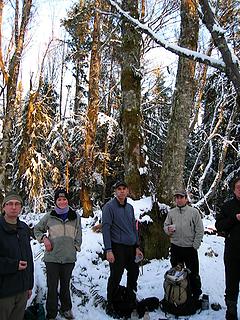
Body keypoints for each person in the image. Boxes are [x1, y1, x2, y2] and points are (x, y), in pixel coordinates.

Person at [34, 188, 82, 320]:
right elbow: (37, 229)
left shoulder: (75, 216)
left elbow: (79, 233)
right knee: (52, 286)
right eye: (59, 199)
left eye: (64, 199)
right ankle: (51, 313)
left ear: (68, 201)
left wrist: (76, 247)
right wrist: (44, 239)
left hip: (68, 258)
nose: (62, 201)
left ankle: (66, 309)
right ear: (55, 201)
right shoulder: (50, 216)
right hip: (52, 258)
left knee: (65, 285)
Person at [102, 181, 143, 318]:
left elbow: (133, 227)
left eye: (124, 189)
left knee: (133, 272)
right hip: (117, 246)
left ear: (127, 191)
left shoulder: (130, 207)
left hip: (131, 247)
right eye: (119, 189)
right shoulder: (109, 207)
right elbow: (106, 229)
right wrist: (108, 249)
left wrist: (137, 246)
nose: (121, 191)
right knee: (116, 275)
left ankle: (130, 297)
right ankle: (111, 303)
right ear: (115, 191)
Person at [164, 190, 204, 301]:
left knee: (193, 272)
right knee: (176, 272)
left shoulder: (193, 212)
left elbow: (200, 229)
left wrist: (195, 245)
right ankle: (177, 293)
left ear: (186, 199)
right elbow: (166, 226)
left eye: (181, 197)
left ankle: (196, 293)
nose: (179, 199)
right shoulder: (171, 212)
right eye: (177, 197)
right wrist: (168, 230)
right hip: (176, 247)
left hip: (190, 248)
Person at [0, 190, 34, 320]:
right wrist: (13, 265)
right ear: (4, 207)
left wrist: (29, 285)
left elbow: (29, 258)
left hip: (22, 290)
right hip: (4, 292)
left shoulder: (23, 228)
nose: (13, 207)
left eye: (17, 204)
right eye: (9, 204)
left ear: (21, 207)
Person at [215, 177, 240, 320]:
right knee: (231, 282)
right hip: (233, 251)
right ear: (233, 189)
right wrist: (235, 218)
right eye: (238, 187)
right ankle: (231, 311)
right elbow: (219, 225)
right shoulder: (228, 206)